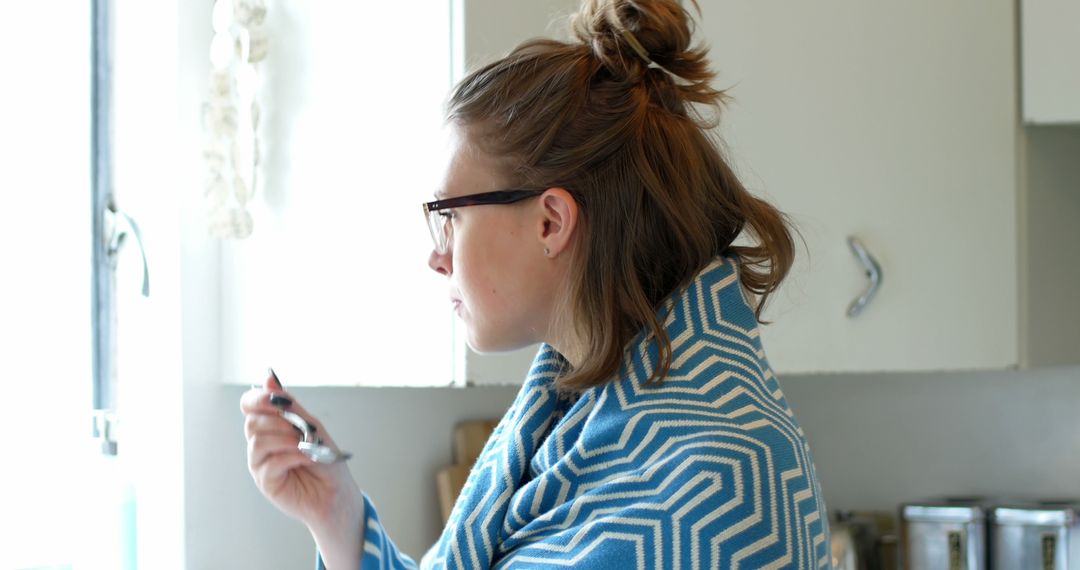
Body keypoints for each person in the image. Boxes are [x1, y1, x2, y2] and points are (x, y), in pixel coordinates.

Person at [240, 0, 831, 567]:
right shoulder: (587, 412)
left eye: (450, 217)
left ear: (550, 221)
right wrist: (337, 512)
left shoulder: (710, 486)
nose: (435, 257)